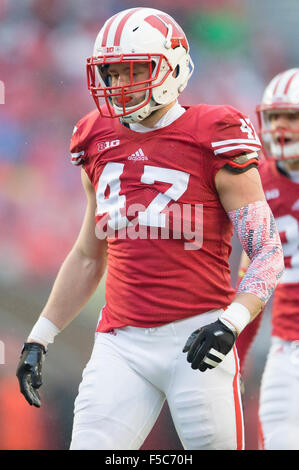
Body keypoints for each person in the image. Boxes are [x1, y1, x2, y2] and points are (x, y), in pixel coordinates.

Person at [16, 7, 284, 450]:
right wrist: (40, 336)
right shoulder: (95, 137)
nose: (121, 84)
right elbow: (88, 254)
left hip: (200, 336)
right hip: (120, 342)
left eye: (134, 69)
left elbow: (267, 251)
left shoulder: (214, 133)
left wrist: (230, 323)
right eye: (112, 72)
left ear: (173, 66)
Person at [236, 68, 299, 450]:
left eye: (291, 116)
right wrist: (236, 360)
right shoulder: (259, 181)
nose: (280, 127)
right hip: (289, 345)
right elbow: (254, 281)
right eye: (274, 117)